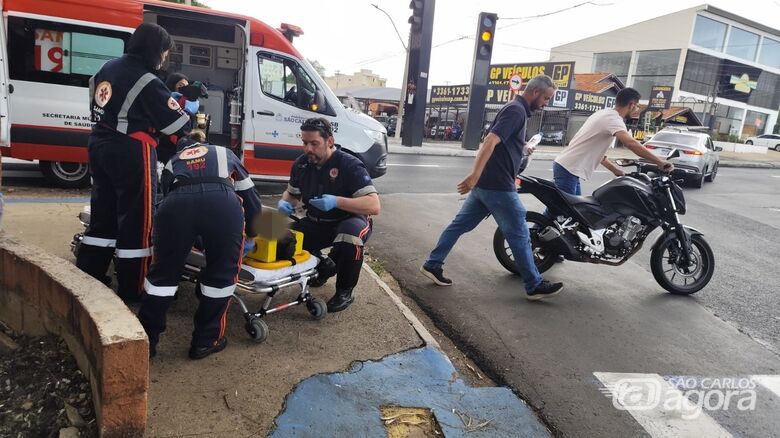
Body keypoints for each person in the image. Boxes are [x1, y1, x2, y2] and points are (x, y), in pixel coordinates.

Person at [419, 75, 564, 301]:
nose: (546, 103)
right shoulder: (516, 110)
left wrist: (522, 148)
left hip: (488, 184)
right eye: (546, 98)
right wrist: (474, 175)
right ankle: (533, 284)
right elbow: (490, 141)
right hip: (498, 185)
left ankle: (432, 264)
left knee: (459, 226)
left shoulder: (515, 109)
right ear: (535, 92)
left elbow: (501, 142)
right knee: (519, 233)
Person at [76, 23, 191, 302]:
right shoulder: (147, 80)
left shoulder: (107, 68)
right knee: (138, 220)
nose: (164, 58)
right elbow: (179, 124)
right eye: (164, 52)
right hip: (131, 149)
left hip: (99, 143)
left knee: (102, 213)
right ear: (156, 51)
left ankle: (88, 277)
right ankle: (133, 288)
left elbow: (95, 100)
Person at [138, 138, 262, 359]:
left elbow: (168, 202)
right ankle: (205, 342)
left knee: (161, 278)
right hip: (223, 205)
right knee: (222, 277)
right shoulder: (225, 153)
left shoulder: (173, 162)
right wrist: (251, 236)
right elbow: (252, 199)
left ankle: (145, 344)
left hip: (175, 206)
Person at [276, 118, 380, 313]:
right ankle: (324, 267)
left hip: (349, 220)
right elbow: (292, 193)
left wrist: (337, 201)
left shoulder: (349, 164)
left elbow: (374, 205)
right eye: (305, 143)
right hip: (317, 222)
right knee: (283, 239)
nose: (308, 149)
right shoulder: (301, 164)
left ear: (329, 141)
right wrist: (285, 202)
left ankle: (345, 291)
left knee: (350, 237)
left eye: (314, 143)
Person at [552, 88, 674, 196]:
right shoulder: (613, 119)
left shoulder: (604, 113)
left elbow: (599, 155)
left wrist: (615, 170)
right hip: (569, 169)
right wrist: (659, 162)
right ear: (631, 104)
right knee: (561, 211)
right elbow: (630, 143)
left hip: (568, 167)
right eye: (637, 106)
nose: (636, 110)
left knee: (575, 211)